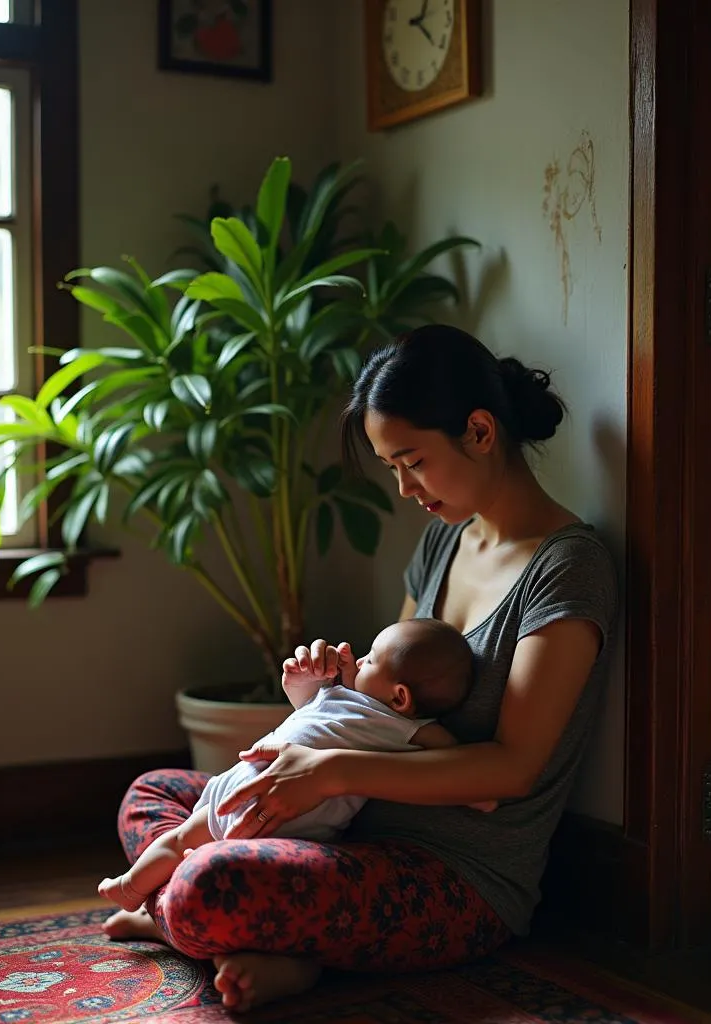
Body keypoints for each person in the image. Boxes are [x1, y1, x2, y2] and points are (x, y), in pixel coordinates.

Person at [103, 324, 619, 1014]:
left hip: (450, 879)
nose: (404, 488)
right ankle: (276, 947)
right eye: (392, 467)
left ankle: (224, 926)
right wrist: (325, 691)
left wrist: (333, 772)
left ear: (480, 431)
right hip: (342, 829)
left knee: (206, 883)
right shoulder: (443, 539)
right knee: (156, 791)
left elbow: (511, 769)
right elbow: (386, 711)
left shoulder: (567, 566)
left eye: (412, 461)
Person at [97, 618, 478, 912]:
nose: (360, 660)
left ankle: (154, 896)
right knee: (172, 826)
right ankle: (138, 889)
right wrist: (301, 681)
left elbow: (463, 770)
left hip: (294, 826)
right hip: (238, 788)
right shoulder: (344, 692)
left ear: (399, 697)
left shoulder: (412, 731)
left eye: (371, 659)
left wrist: (479, 796)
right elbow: (308, 712)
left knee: (192, 849)